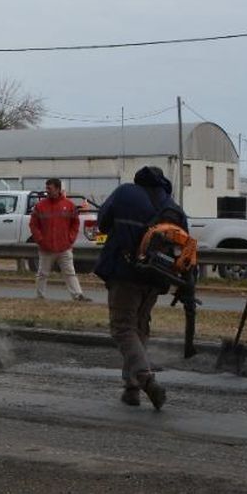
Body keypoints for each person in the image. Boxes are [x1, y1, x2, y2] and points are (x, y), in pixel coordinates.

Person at [94, 165, 185, 409]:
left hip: (125, 273)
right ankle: (131, 388)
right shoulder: (172, 206)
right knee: (140, 326)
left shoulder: (125, 193)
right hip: (156, 278)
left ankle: (145, 379)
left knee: (123, 328)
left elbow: (102, 223)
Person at [29, 178, 88, 301]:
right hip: (46, 248)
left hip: (64, 247)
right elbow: (33, 225)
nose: (47, 191)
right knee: (42, 274)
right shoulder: (40, 206)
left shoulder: (69, 205)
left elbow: (75, 224)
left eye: (49, 188)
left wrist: (70, 239)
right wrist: (40, 240)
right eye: (46, 188)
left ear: (57, 189)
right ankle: (40, 296)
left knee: (69, 272)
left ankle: (78, 296)